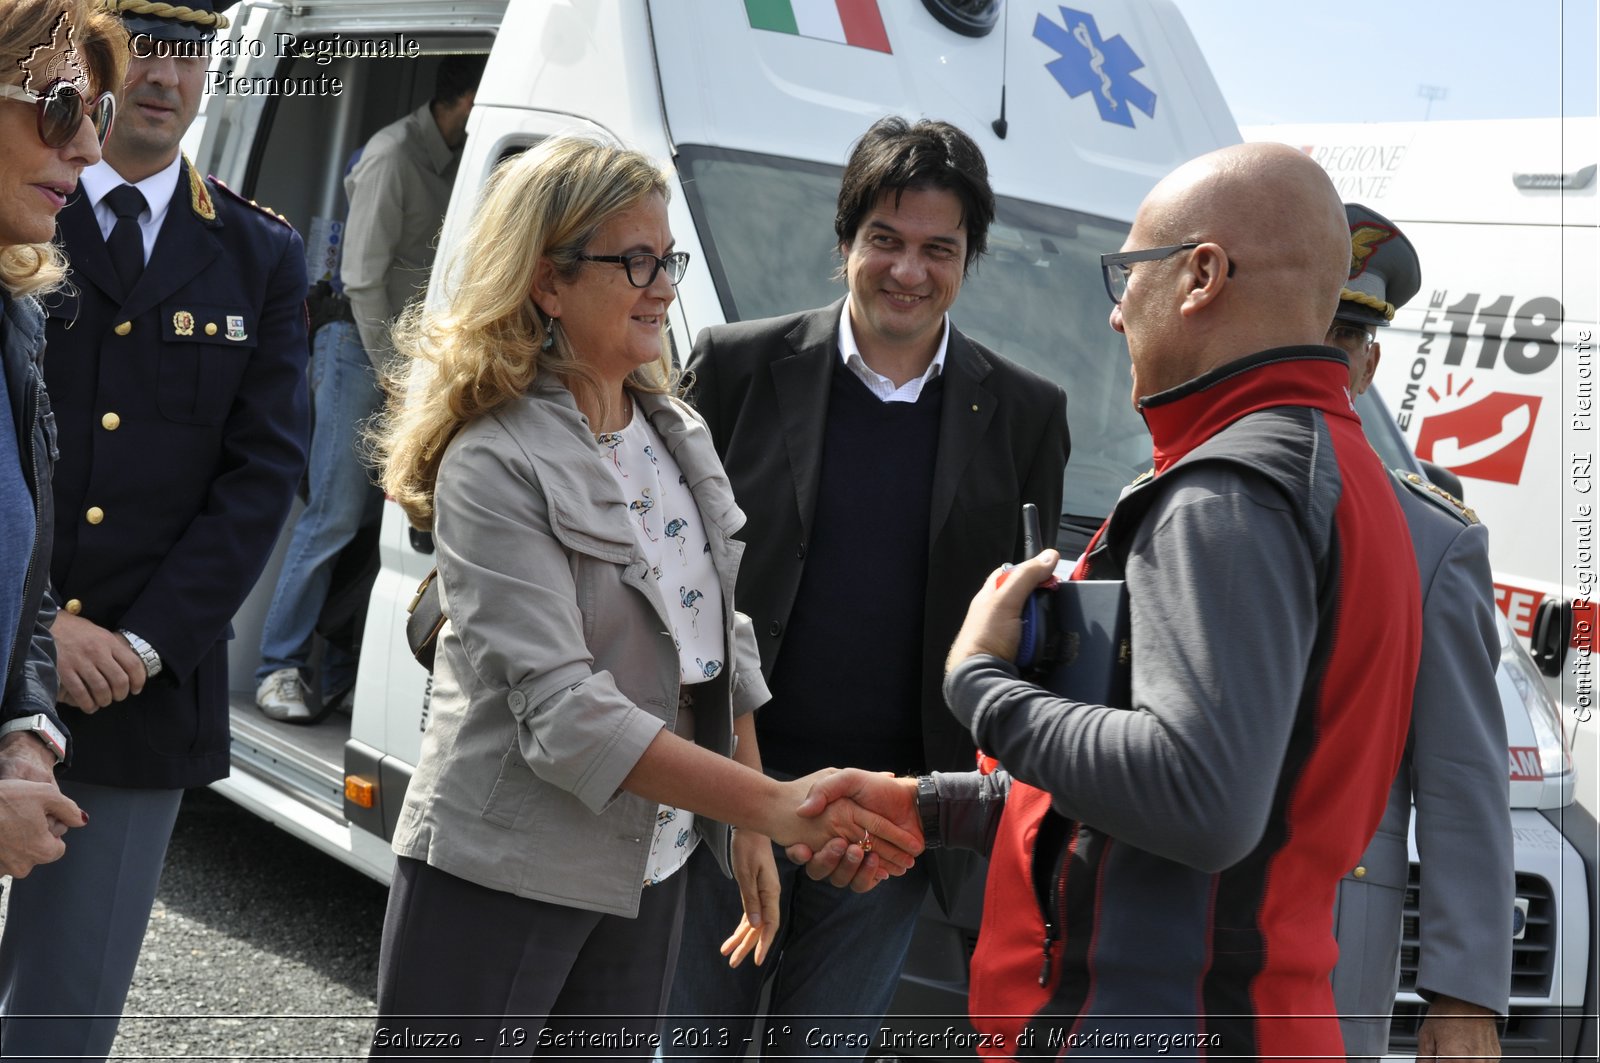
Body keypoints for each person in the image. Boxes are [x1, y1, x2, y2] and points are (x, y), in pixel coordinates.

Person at [795, 142, 1424, 1058]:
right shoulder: (1334, 467)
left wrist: (977, 681)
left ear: (1201, 275)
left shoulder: (1229, 489)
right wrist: (934, 806)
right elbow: (1194, 784)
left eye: (1128, 275)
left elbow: (1198, 796)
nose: (1118, 313)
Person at [367, 135, 921, 1056]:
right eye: (634, 261)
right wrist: (771, 802)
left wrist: (748, 817)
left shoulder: (676, 429)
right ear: (547, 281)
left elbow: (721, 637)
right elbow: (568, 714)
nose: (663, 284)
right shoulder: (493, 458)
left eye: (669, 258)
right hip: (505, 875)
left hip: (649, 874)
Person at [668, 114, 1069, 1057]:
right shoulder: (738, 368)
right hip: (726, 789)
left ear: (970, 258)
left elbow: (1023, 631)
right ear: (844, 239)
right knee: (686, 1044)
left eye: (940, 248)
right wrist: (730, 787)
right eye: (885, 240)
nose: (908, 270)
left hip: (886, 827)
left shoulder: (1025, 415)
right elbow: (671, 573)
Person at [0, 0, 311, 1056]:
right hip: (13, 647)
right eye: (141, 50)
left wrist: (139, 643)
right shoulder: (24, 213)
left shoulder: (259, 252)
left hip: (136, 693)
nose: (164, 76)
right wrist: (44, 634)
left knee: (62, 1018)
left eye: (191, 51)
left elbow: (263, 475)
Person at [1326, 203, 1511, 1062]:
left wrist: (1465, 991)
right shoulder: (1177, 489)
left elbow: (1462, 775)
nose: (1320, 360)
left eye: (1343, 341)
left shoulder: (1432, 537)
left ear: (1369, 364)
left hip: (1329, 944)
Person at [255, 55, 485, 722]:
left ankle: (328, 669)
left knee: (365, 524)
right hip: (363, 350)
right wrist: (395, 374)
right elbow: (362, 279)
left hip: (403, 360)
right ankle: (278, 667)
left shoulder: (450, 162)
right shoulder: (393, 157)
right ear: (466, 104)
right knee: (331, 516)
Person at [0, 0, 124, 881]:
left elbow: (25, 587)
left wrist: (22, 733)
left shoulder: (16, 326)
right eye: (60, 110)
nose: (86, 148)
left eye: (96, 118)